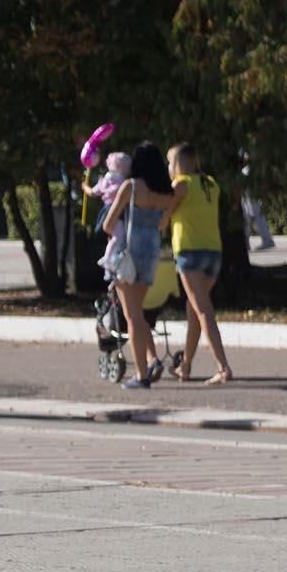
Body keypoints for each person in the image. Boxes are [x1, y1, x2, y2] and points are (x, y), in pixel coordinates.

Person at [98, 141, 178, 389]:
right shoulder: (166, 194)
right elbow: (163, 224)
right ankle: (152, 360)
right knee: (138, 314)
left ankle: (141, 375)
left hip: (128, 255)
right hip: (151, 254)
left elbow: (107, 225)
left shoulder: (131, 187)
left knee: (131, 317)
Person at [166, 142, 236, 385]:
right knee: (194, 309)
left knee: (203, 310)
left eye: (169, 162)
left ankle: (223, 367)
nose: (167, 167)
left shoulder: (180, 184)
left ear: (177, 164)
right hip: (213, 252)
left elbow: (166, 214)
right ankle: (185, 366)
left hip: (189, 251)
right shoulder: (210, 183)